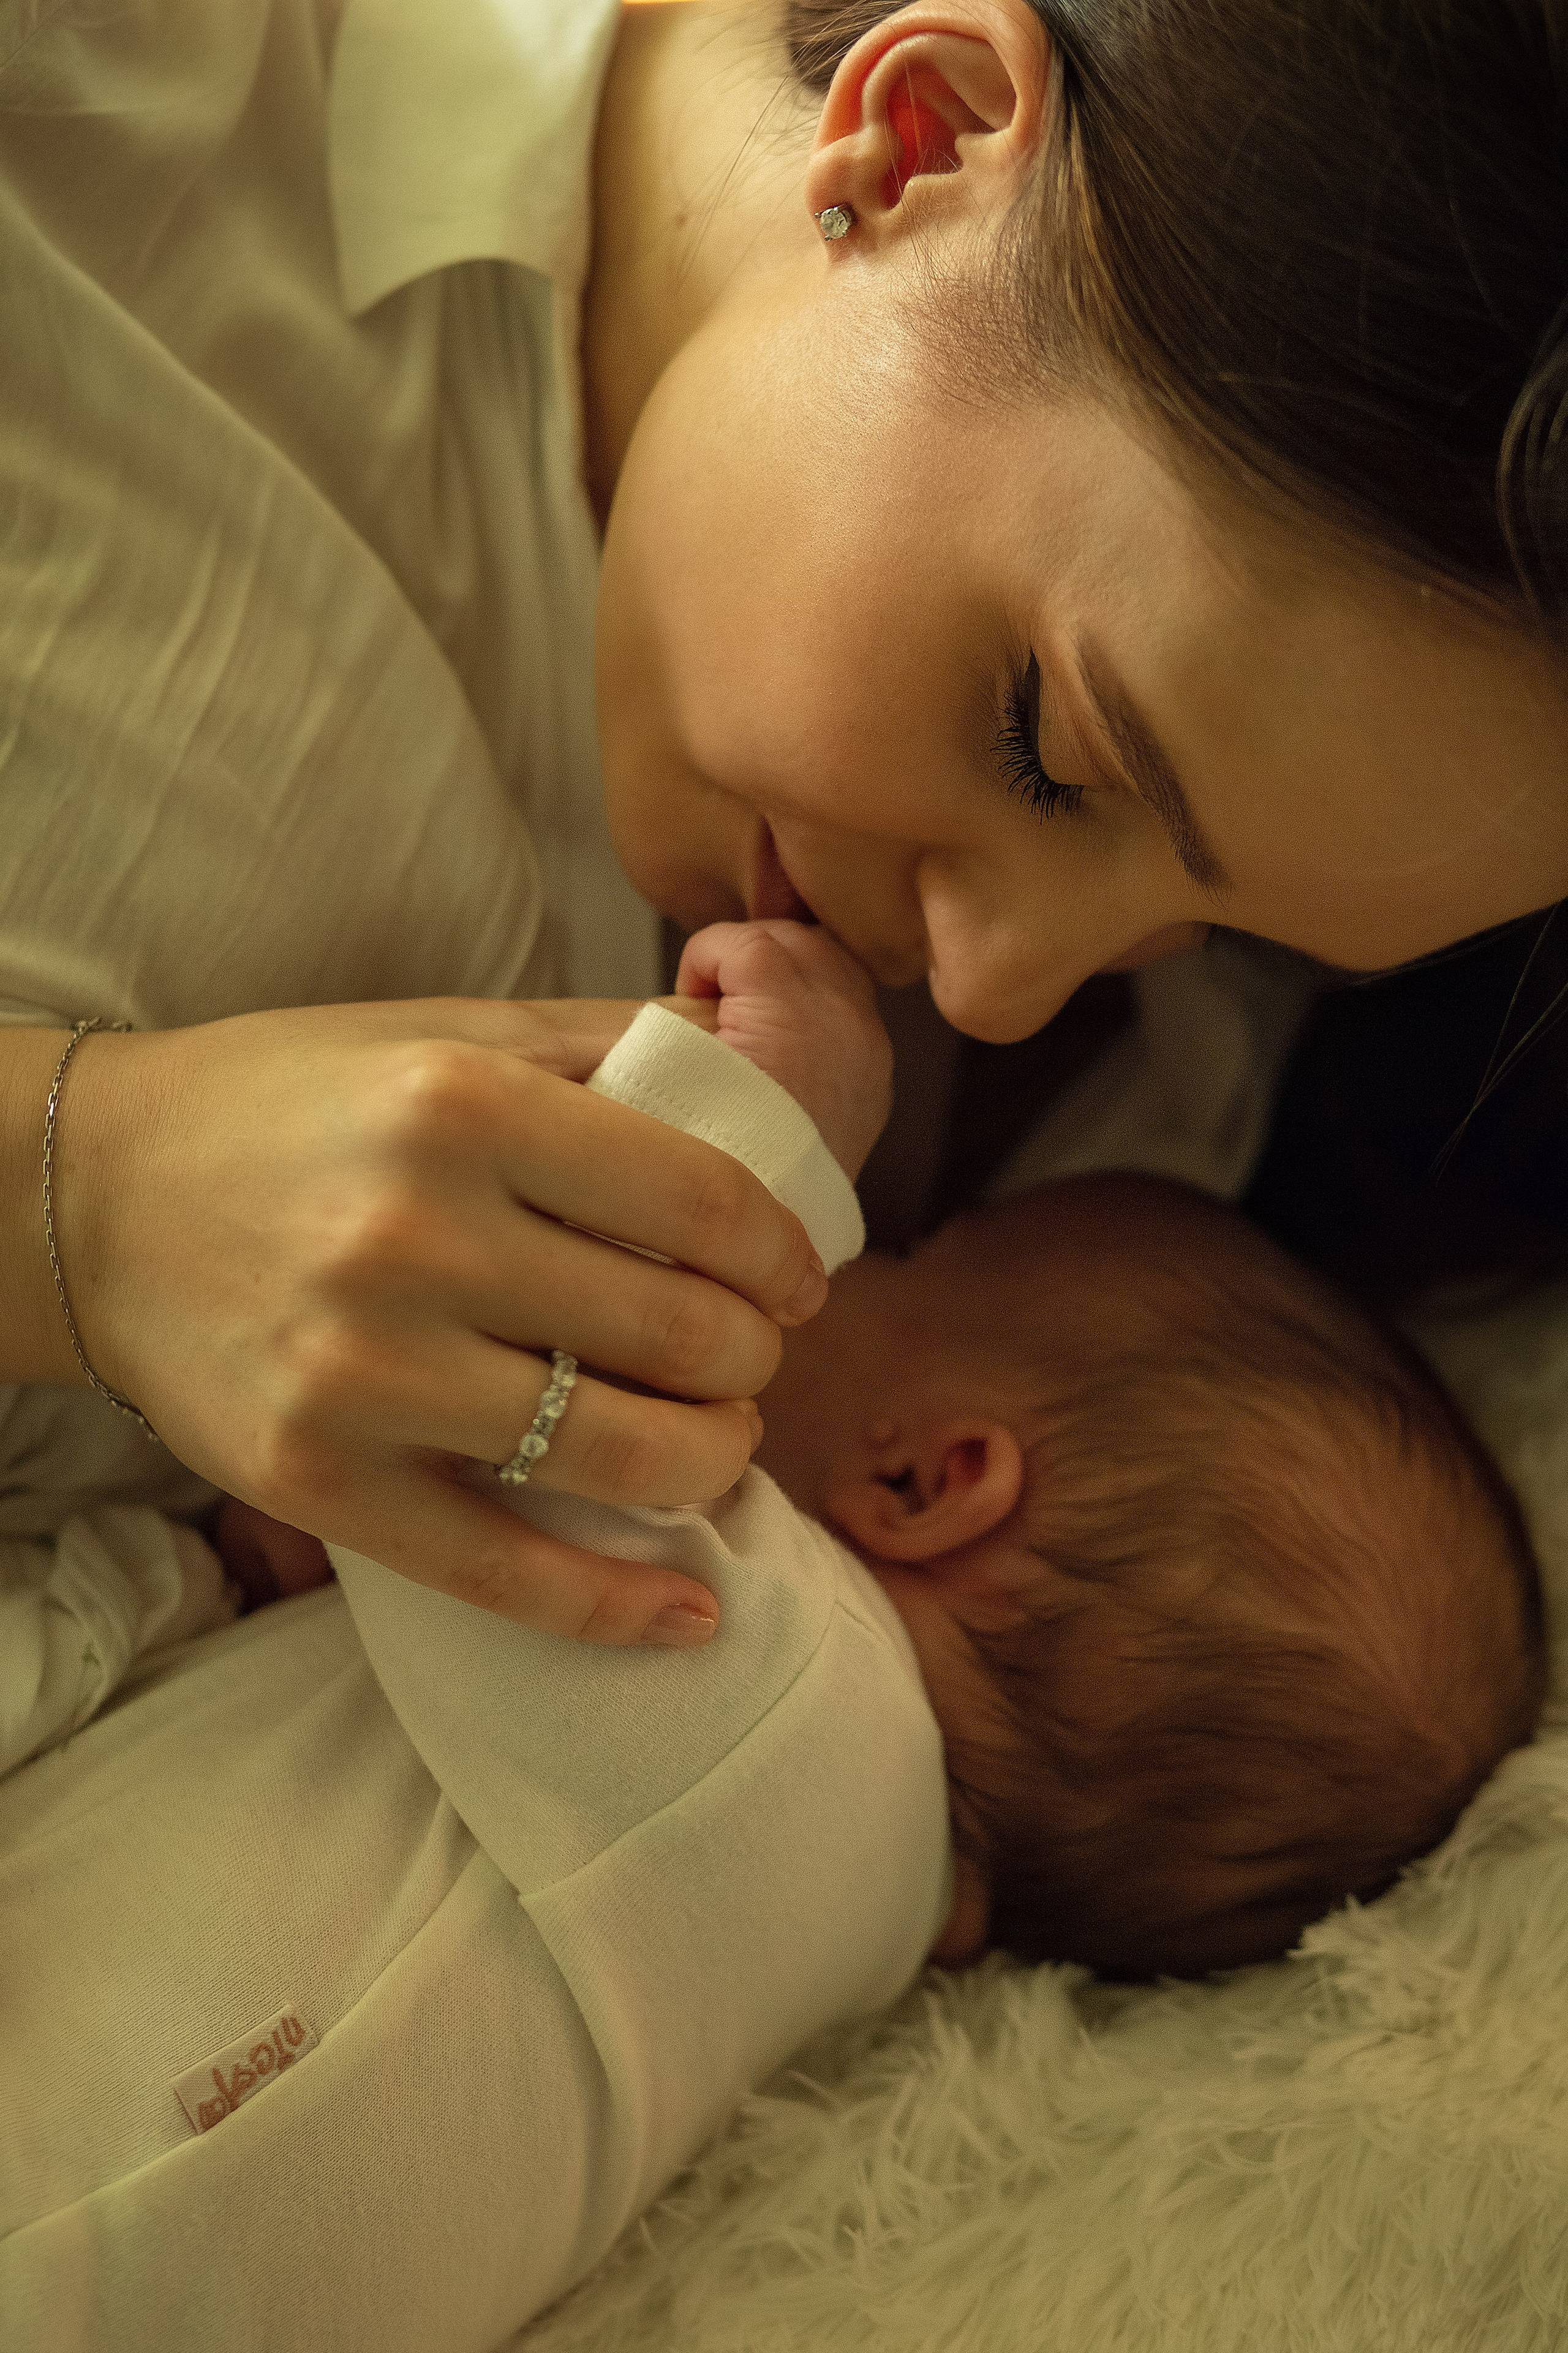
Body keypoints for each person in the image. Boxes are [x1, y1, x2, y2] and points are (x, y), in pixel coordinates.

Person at [2, 0, 1567, 1658]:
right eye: (1048, 749)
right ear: (922, 135)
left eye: (1228, 929)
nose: (992, 989)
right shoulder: (89, 117)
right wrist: (88, 1195)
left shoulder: (1131, 1133)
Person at [0, 920, 1542, 2349]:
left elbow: (526, 1362)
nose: (870, 1249)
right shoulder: (801, 1897)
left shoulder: (792, 1715)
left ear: (924, 1481)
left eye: (907, 1258)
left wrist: (773, 1129)